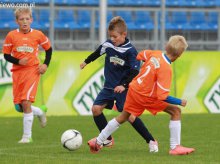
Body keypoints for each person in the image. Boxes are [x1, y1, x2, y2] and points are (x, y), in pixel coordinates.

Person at [88, 35, 195, 155]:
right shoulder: (166, 69)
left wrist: (147, 70)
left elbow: (140, 56)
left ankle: (98, 141)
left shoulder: (156, 54)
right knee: (176, 111)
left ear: (166, 46)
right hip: (146, 96)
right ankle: (175, 147)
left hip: (134, 89)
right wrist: (179, 101)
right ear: (179, 55)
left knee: (123, 117)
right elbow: (162, 96)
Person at [80, 16, 158, 152]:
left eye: (115, 37)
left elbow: (134, 71)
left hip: (124, 89)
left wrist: (124, 85)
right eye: (110, 36)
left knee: (130, 117)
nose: (112, 39)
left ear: (124, 34)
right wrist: (86, 62)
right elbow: (97, 52)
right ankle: (107, 139)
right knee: (96, 109)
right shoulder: (108, 45)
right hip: (108, 87)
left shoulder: (131, 51)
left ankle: (151, 141)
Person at [2, 7, 52, 143]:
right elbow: (6, 55)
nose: (25, 21)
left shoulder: (38, 34)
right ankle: (40, 112)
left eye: (27, 19)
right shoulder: (11, 35)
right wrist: (18, 61)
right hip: (17, 73)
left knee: (25, 102)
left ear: (31, 20)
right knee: (19, 107)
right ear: (16, 21)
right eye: (21, 19)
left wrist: (45, 64)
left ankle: (26, 137)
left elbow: (49, 49)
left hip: (32, 71)